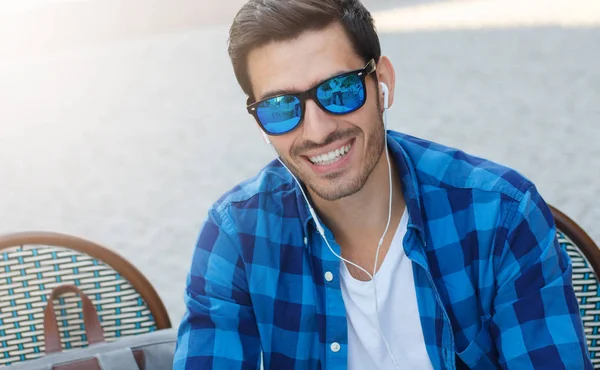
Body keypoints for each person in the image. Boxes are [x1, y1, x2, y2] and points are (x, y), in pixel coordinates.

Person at [173, 0, 592, 369]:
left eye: (339, 90)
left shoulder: (500, 216)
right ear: (259, 121)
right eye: (281, 107)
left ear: (382, 82)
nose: (317, 131)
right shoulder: (236, 236)